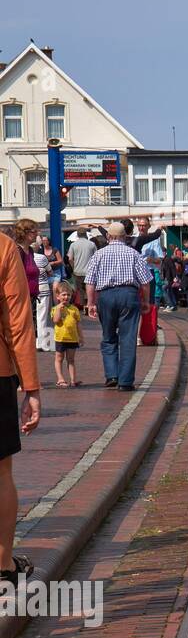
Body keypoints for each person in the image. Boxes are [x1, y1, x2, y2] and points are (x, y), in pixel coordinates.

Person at [0, 224, 41, 592]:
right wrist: (31, 386)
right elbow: (17, 321)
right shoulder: (3, 248)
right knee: (0, 472)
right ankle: (3, 567)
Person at [84, 222, 151, 391]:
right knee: (128, 339)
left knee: (108, 336)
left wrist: (90, 303)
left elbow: (90, 282)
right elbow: (145, 282)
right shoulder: (133, 254)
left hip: (105, 296)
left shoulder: (98, 254)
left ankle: (112, 375)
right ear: (125, 237)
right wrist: (145, 302)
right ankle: (126, 381)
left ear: (108, 237)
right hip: (129, 294)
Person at [32, 235, 60, 352]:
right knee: (42, 316)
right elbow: (50, 272)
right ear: (38, 246)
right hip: (42, 289)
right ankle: (41, 343)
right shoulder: (42, 258)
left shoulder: (22, 258)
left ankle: (30, 342)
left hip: (28, 290)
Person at [50, 281, 81, 387]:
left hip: (72, 338)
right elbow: (56, 320)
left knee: (71, 359)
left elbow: (77, 325)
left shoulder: (74, 309)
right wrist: (59, 309)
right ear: (58, 296)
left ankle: (73, 380)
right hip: (60, 338)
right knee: (59, 358)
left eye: (68, 294)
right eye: (63, 294)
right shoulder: (55, 309)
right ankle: (60, 378)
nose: (66, 297)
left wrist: (81, 337)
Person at [65, 226, 98, 301]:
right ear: (86, 234)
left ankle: (82, 308)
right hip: (89, 272)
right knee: (90, 292)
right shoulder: (92, 244)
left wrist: (74, 268)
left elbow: (70, 259)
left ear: (77, 235)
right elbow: (96, 258)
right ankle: (89, 307)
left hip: (77, 272)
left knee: (80, 293)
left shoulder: (73, 245)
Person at [160, 247, 178, 312]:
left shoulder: (168, 259)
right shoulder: (164, 260)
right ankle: (173, 305)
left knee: (164, 289)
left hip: (168, 278)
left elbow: (172, 268)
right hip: (167, 278)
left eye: (162, 252)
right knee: (169, 291)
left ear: (165, 252)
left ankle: (170, 304)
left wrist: (174, 277)